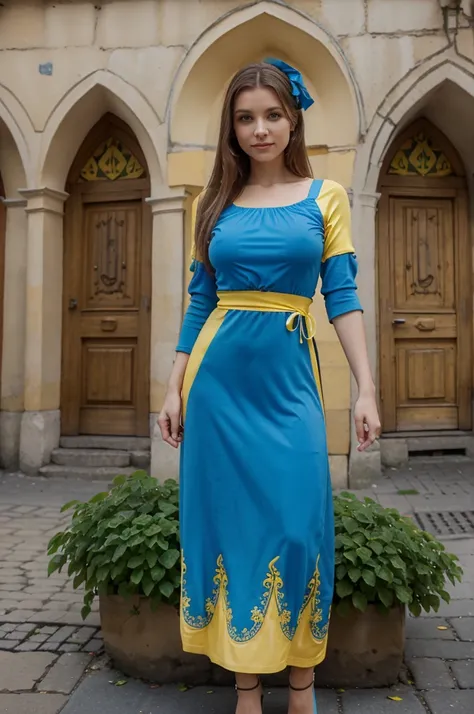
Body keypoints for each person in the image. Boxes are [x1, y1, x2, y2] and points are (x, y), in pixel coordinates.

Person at [158, 59, 381, 714]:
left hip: (289, 386)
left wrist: (366, 388)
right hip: (217, 385)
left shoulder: (326, 197)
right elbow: (200, 303)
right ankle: (247, 691)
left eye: (273, 115)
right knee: (231, 528)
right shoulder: (212, 203)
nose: (260, 129)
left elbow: (342, 297)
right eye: (246, 117)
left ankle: (303, 685)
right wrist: (173, 388)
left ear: (293, 120)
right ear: (232, 127)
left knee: (296, 522)